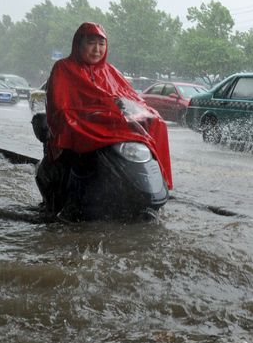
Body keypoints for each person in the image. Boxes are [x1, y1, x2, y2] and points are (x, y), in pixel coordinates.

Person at [37, 22, 173, 215]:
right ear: (78, 44)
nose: (97, 49)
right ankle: (67, 203)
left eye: (102, 44)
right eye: (91, 43)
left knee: (157, 122)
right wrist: (91, 114)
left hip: (110, 126)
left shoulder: (110, 72)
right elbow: (60, 107)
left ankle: (162, 182)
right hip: (80, 126)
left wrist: (145, 112)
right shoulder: (63, 68)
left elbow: (131, 98)